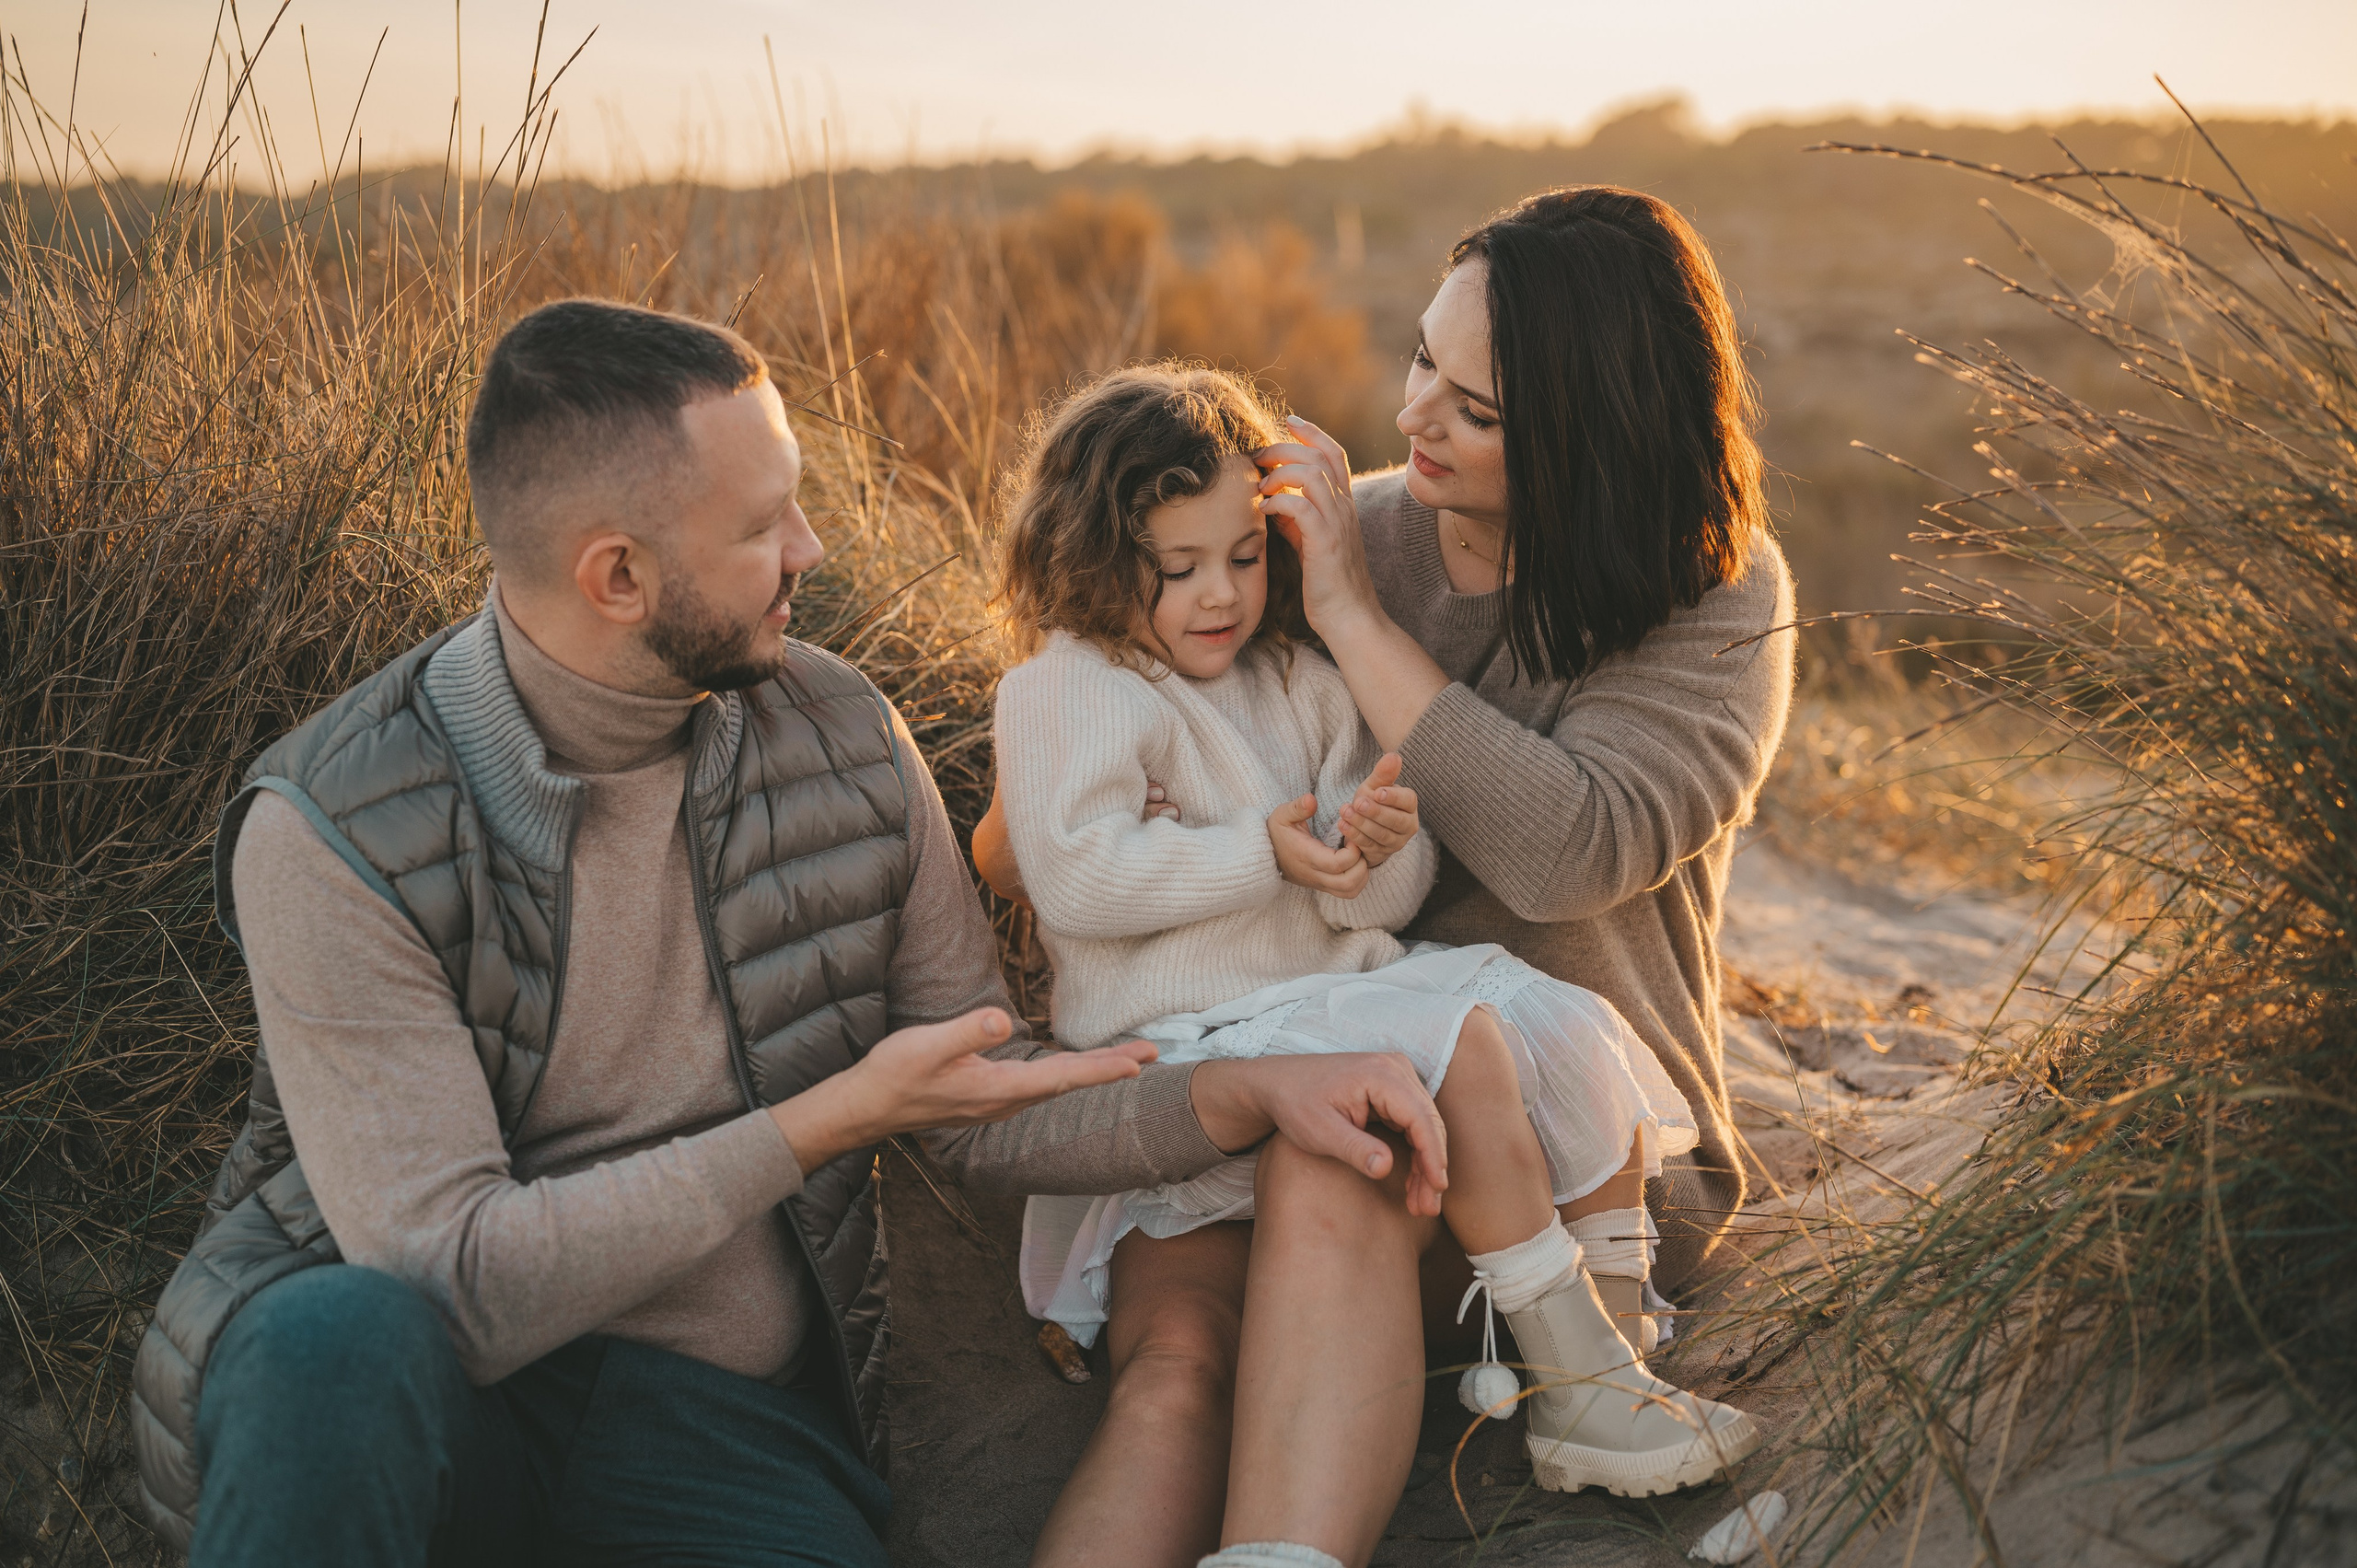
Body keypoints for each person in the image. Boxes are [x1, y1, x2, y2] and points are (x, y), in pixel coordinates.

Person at [128, 299, 1187, 1568]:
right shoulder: (332, 826)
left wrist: (1246, 1100)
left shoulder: (843, 735)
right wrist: (824, 1122)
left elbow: (975, 1092)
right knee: (331, 1338)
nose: (811, 546)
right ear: (617, 576)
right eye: (761, 526)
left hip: (722, 1435)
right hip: (417, 1405)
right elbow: (452, 1284)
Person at [973, 187, 1794, 1567]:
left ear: (1592, 436)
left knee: (1343, 1138)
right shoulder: (1298, 537)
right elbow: (1032, 829)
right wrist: (1106, 795)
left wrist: (1349, 614)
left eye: (1474, 410)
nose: (1414, 420)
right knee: (1210, 1310)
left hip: (1578, 1155)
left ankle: (1568, 1387)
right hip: (1293, 1048)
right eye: (1423, 361)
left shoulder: (1712, 596)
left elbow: (1562, 852)